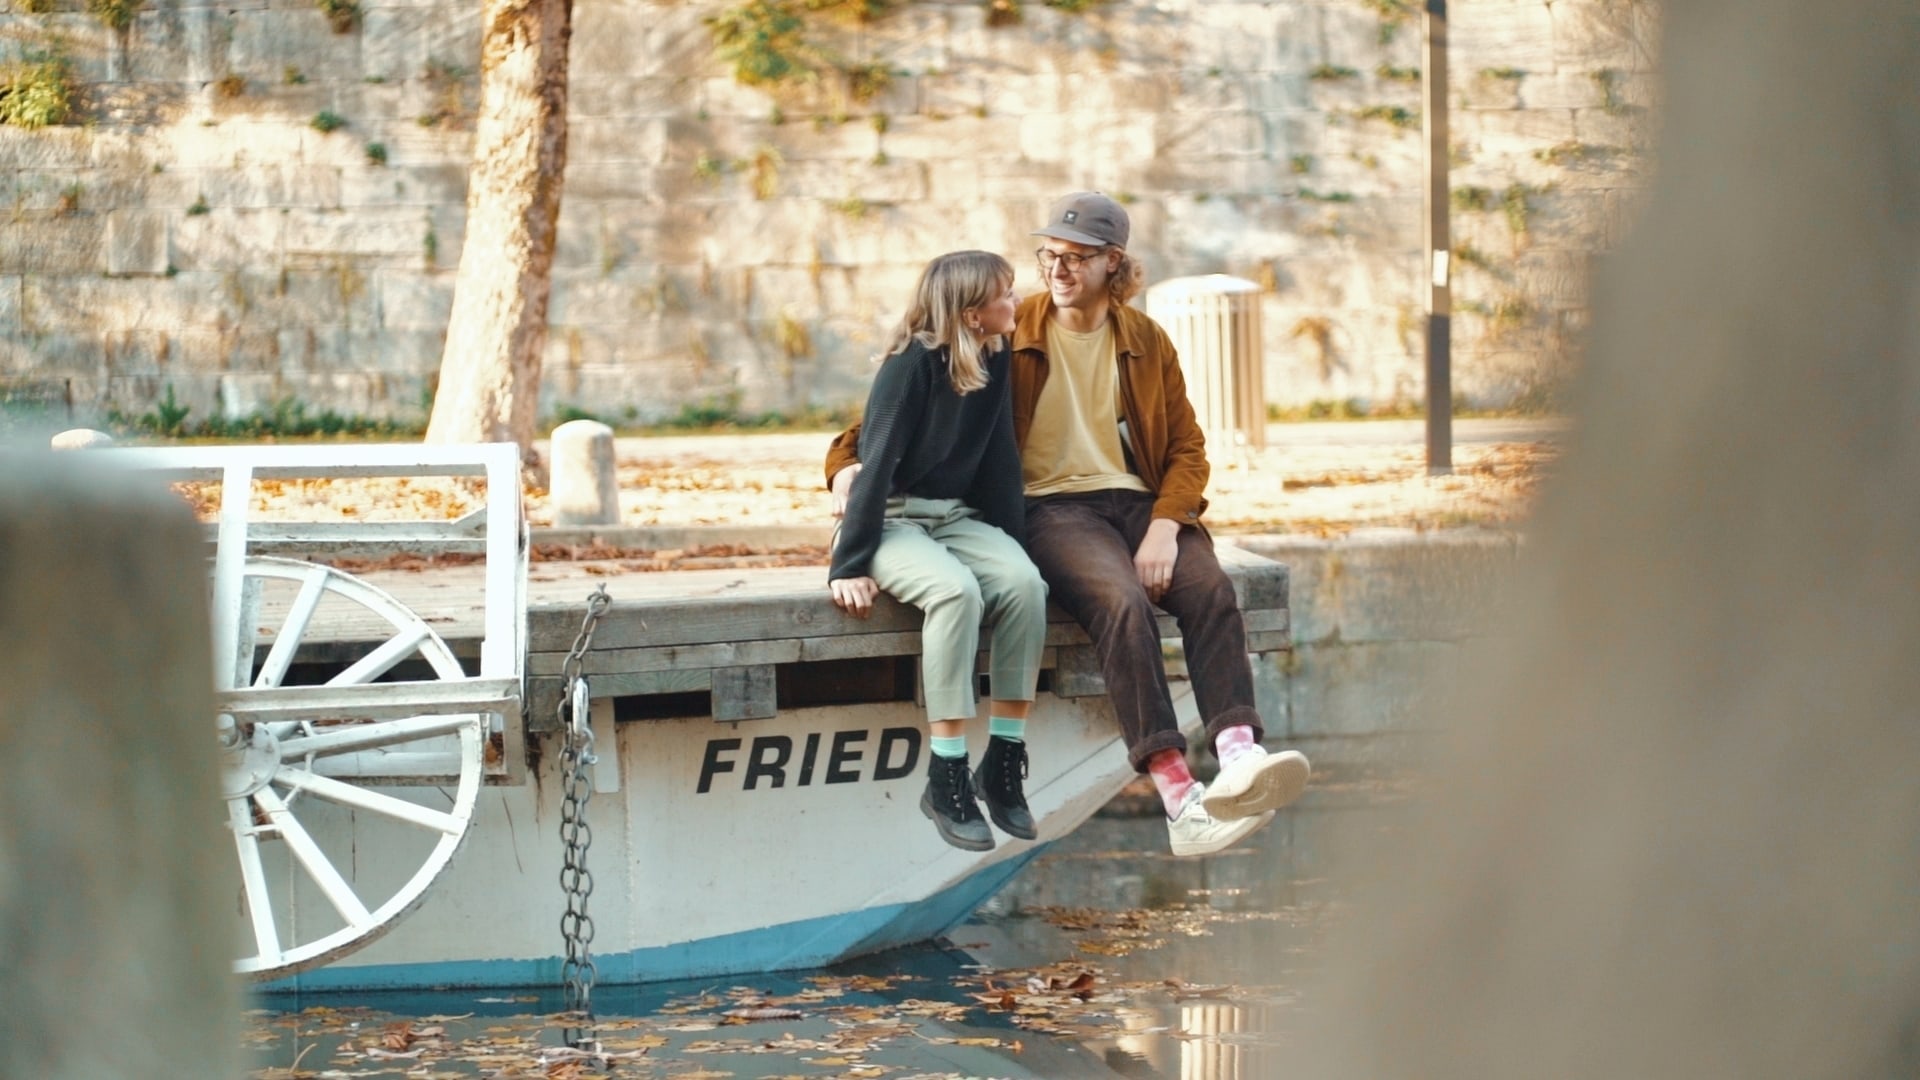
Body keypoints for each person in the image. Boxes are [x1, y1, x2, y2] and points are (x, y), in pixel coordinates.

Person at [829, 193, 1311, 858]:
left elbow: (1187, 450)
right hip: (1052, 510)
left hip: (1137, 502)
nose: (1056, 270)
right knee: (1118, 603)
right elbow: (883, 421)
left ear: (1114, 263)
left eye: (1076, 258)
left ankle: (1238, 755)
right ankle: (1177, 795)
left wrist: (1168, 526)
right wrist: (841, 472)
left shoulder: (1144, 340)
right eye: (1048, 255)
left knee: (1212, 591)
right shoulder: (1009, 329)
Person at [828, 250, 1051, 853]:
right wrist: (848, 563)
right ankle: (947, 773)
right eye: (1005, 294)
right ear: (972, 311)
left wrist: (1014, 547)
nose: (1017, 301)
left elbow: (1000, 456)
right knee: (956, 591)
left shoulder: (993, 356)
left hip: (953, 518)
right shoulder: (911, 366)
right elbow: (875, 466)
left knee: (1026, 585)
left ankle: (1003, 762)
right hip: (891, 520)